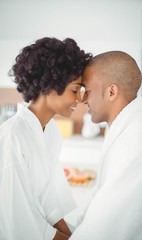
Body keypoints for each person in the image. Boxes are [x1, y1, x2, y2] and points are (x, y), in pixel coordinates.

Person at [0, 37, 92, 240]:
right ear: (49, 86)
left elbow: (50, 197)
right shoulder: (12, 137)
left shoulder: (50, 131)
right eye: (75, 90)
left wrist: (70, 235)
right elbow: (18, 221)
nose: (78, 99)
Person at [69, 51, 142, 240]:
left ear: (111, 92)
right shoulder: (127, 130)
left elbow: (105, 230)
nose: (83, 99)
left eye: (88, 91)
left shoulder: (137, 143)